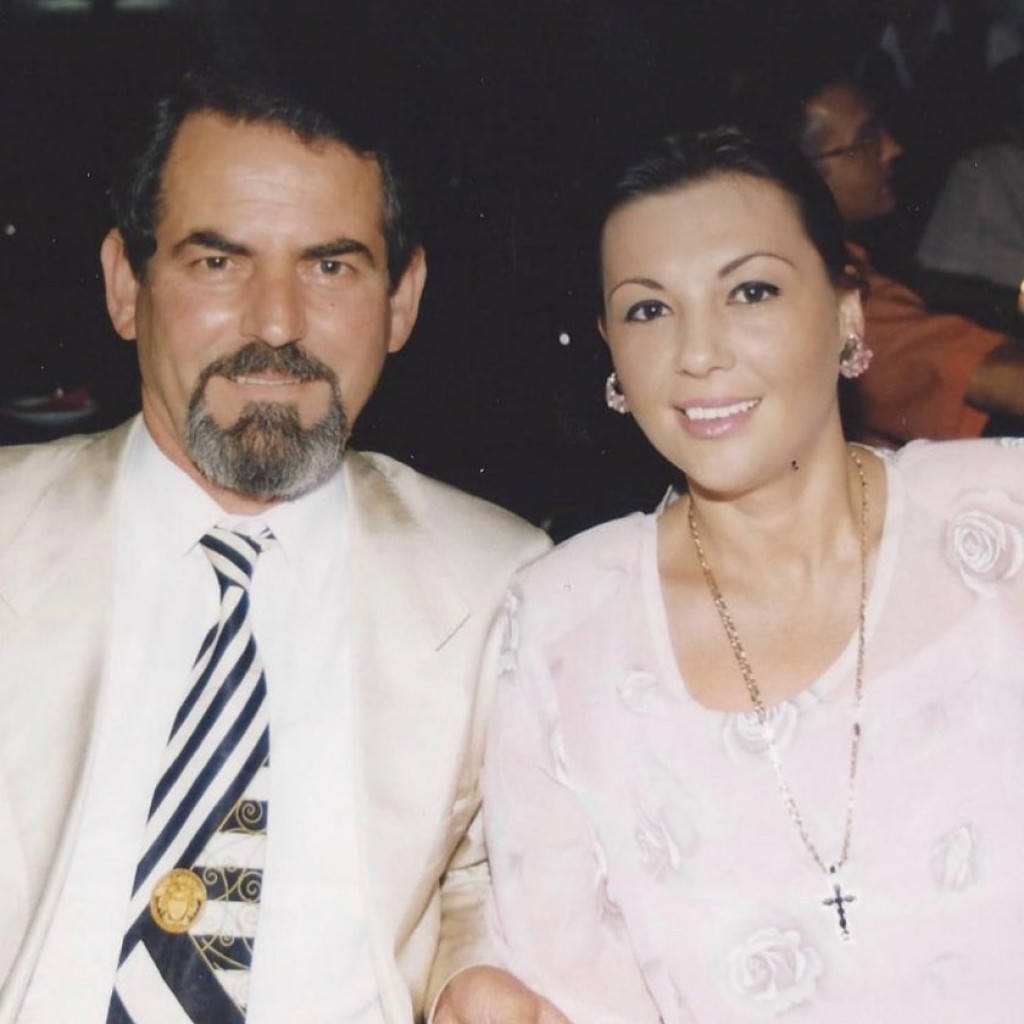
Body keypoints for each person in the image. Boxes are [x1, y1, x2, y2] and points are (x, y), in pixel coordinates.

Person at [0, 67, 560, 1023]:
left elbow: (487, 873)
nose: (276, 323)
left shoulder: (502, 581)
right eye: (218, 262)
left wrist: (470, 972)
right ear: (127, 286)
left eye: (330, 267)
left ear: (402, 299)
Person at [484, 125, 1024, 1021]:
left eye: (751, 291)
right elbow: (568, 980)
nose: (698, 353)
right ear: (610, 349)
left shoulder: (1001, 517)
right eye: (649, 310)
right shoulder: (563, 624)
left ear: (848, 313)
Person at [795, 74, 1024, 445]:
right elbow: (1001, 380)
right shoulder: (829, 291)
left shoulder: (847, 261)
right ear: (801, 173)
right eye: (866, 138)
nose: (892, 148)